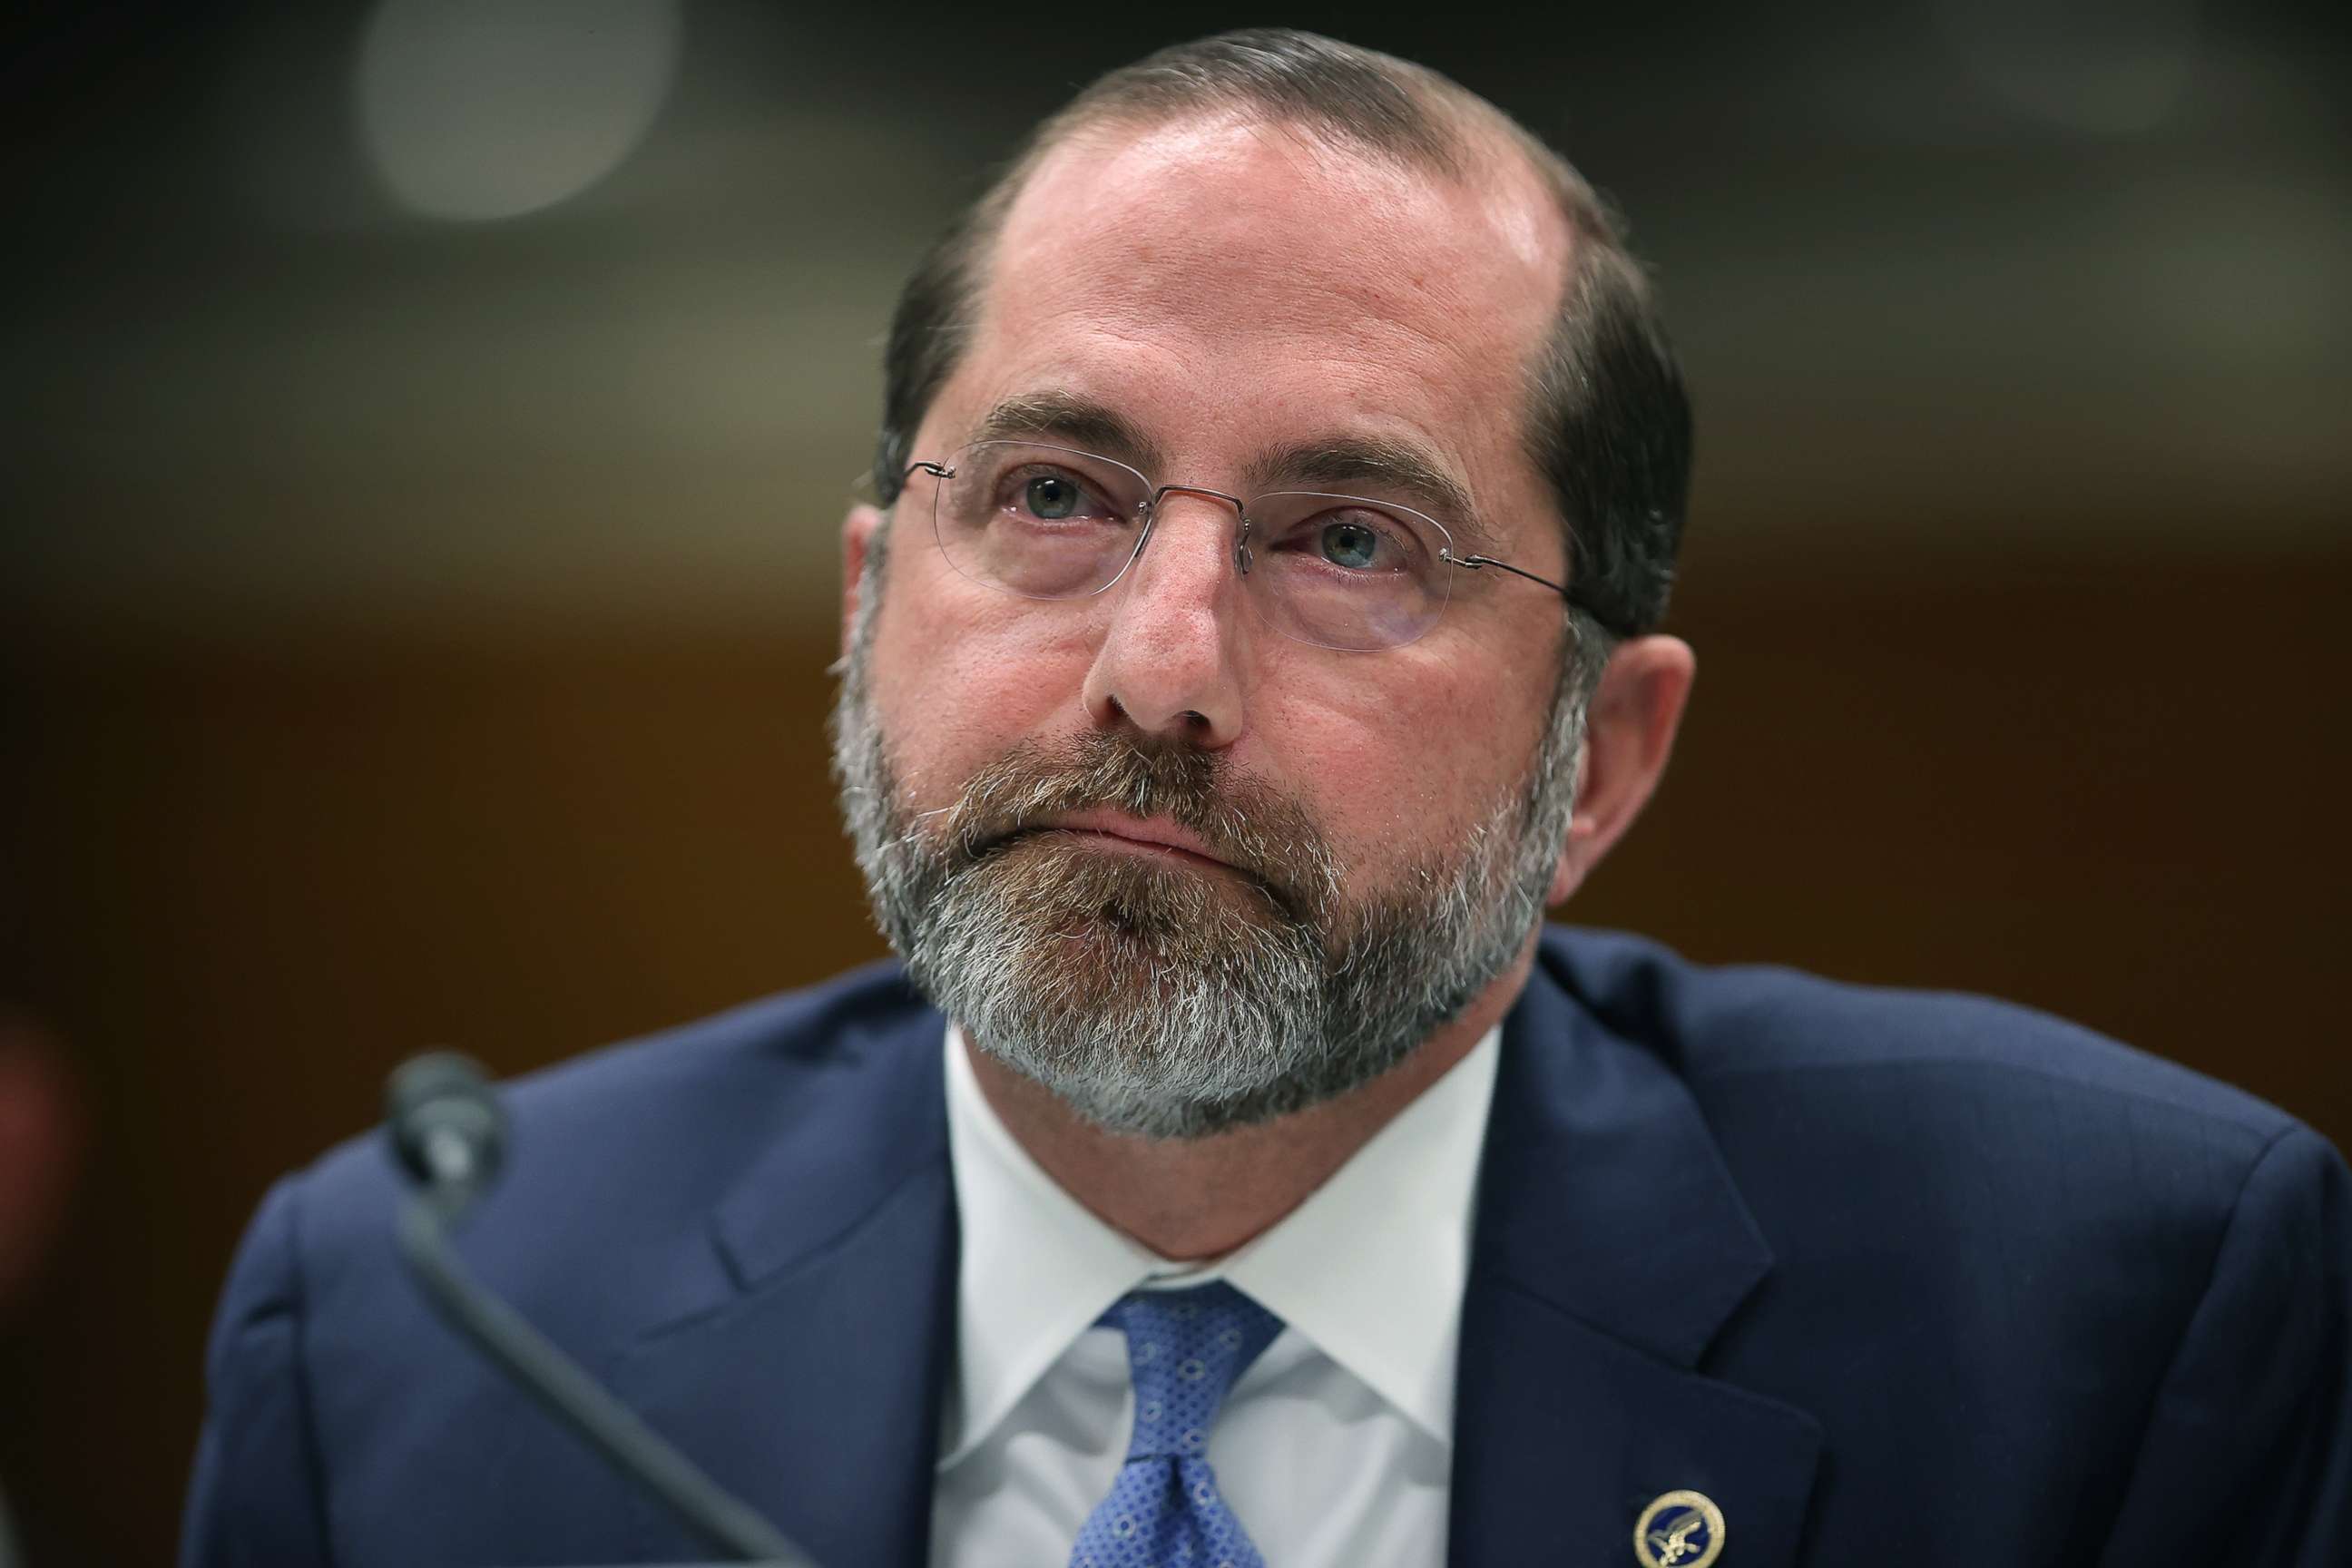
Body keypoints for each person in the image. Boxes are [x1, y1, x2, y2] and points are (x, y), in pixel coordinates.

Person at [182, 29, 2349, 1568]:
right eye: (1053, 496)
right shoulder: (422, 1323)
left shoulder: (2103, 1312)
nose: (1160, 671)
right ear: (866, 608)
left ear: (1601, 758)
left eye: (1348, 542)